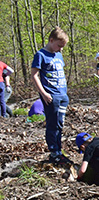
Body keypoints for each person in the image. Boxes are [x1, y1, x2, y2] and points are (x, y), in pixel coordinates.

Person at [31, 27, 71, 165]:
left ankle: (59, 151)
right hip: (50, 95)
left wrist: (65, 93)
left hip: (62, 95)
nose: (61, 49)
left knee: (60, 124)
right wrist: (43, 93)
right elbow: (34, 75)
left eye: (63, 46)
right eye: (59, 45)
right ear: (51, 40)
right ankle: (54, 153)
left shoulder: (58, 55)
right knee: (52, 124)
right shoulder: (40, 55)